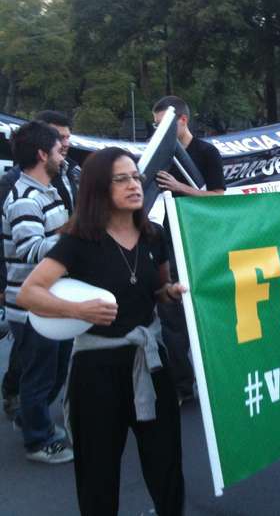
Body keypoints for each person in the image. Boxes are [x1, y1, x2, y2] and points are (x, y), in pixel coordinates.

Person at [18, 147, 185, 515]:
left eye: (135, 177)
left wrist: (169, 293)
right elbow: (30, 293)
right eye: (120, 179)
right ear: (97, 188)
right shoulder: (79, 241)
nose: (133, 185)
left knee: (167, 465)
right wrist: (77, 310)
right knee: (98, 475)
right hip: (96, 372)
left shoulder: (153, 236)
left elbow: (156, 290)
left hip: (150, 365)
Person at [1, 111, 80, 420]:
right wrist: (77, 240)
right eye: (59, 149)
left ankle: (31, 422)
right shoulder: (24, 198)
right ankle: (38, 439)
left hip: (52, 302)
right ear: (41, 154)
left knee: (55, 374)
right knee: (39, 379)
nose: (64, 154)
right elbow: (32, 250)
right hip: (33, 306)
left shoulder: (48, 191)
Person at [152, 96, 225, 404]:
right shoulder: (159, 155)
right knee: (171, 319)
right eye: (155, 127)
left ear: (181, 121)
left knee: (210, 314)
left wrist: (180, 188)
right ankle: (183, 386)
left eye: (161, 126)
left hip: (201, 244)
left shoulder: (207, 152)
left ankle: (220, 380)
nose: (157, 132)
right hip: (165, 243)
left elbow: (219, 196)